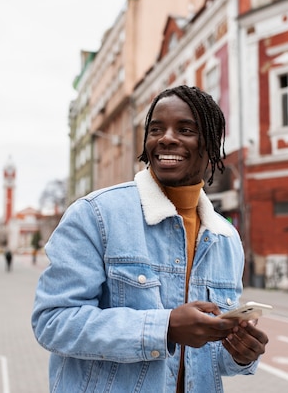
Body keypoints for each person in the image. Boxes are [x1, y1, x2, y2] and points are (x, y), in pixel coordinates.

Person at [32, 85, 268, 392]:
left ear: (211, 146)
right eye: (156, 129)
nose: (166, 138)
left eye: (185, 129)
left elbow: (210, 359)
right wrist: (164, 328)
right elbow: (53, 322)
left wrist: (240, 353)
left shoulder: (225, 238)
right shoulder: (96, 215)